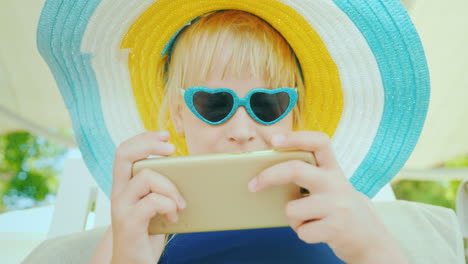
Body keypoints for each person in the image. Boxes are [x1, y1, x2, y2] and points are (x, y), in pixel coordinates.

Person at [28, 1, 464, 264]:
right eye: (213, 104)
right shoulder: (149, 214)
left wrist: (371, 247)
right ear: (177, 115)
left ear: (295, 113)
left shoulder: (336, 207)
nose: (241, 129)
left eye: (267, 103)